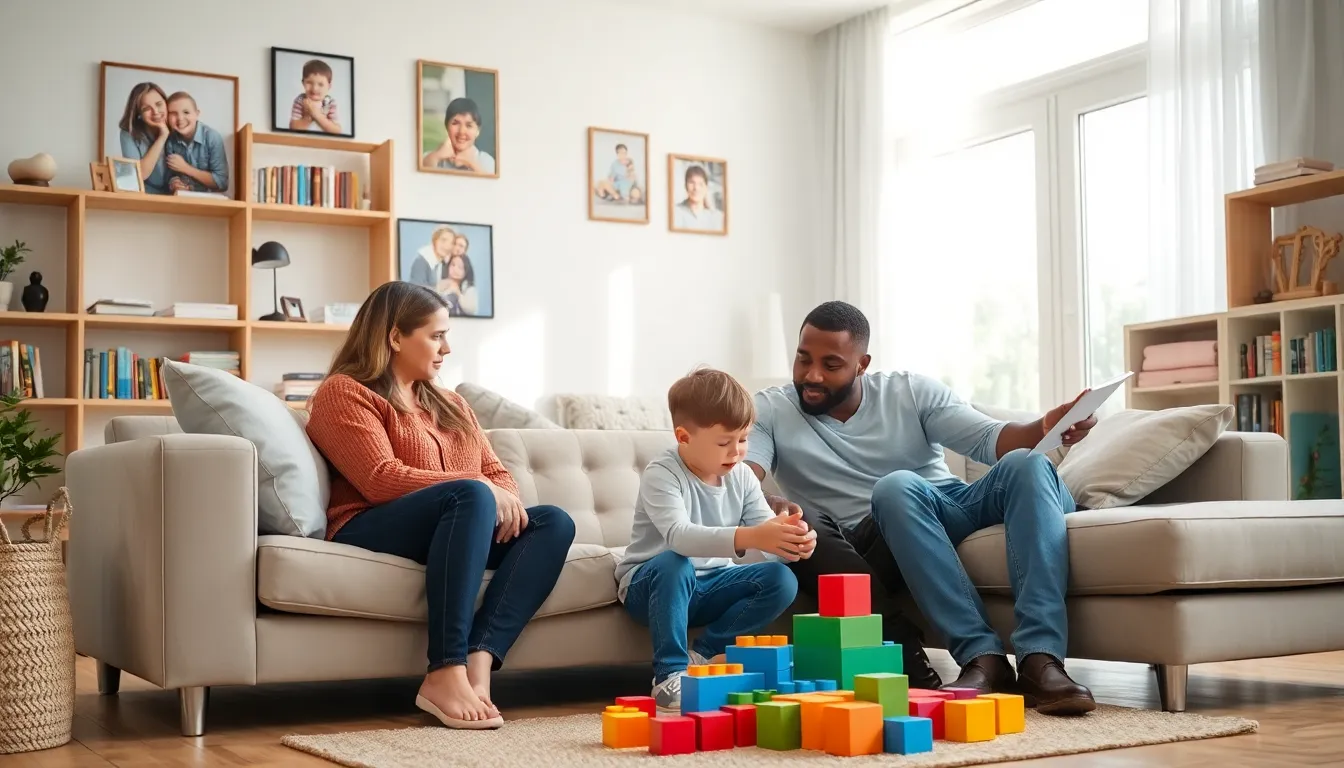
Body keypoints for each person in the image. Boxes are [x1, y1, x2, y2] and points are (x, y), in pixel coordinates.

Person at [746, 301, 1098, 716]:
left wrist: (1044, 429)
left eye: (831, 364)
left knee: (1028, 462)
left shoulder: (910, 390)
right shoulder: (770, 409)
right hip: (874, 532)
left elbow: (991, 438)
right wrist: (763, 499)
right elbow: (743, 476)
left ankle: (1041, 660)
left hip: (948, 503)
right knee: (894, 488)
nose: (812, 375)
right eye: (803, 359)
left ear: (862, 364)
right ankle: (982, 659)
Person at [305, 281, 576, 729]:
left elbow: (497, 472)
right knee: (470, 493)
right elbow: (379, 478)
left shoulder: (452, 403)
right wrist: (479, 486)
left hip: (457, 525)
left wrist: (493, 490)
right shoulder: (345, 392)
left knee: (553, 522)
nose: (447, 348)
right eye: (436, 335)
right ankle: (442, 672)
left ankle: (478, 661)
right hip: (371, 525)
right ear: (394, 337)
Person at [615, 367, 816, 711]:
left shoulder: (741, 477)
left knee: (781, 580)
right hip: (652, 586)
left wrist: (789, 541)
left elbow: (765, 538)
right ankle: (669, 675)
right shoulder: (661, 473)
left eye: (743, 439)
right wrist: (754, 535)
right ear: (684, 437)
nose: (736, 452)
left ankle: (702, 655)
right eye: (724, 442)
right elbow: (679, 537)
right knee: (673, 562)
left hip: (711, 585)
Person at [163, 92, 229, 193]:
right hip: (182, 200)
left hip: (209, 201)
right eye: (173, 113)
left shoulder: (212, 137)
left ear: (197, 114)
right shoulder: (170, 141)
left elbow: (222, 183)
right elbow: (171, 175)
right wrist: (174, 183)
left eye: (186, 112)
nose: (180, 118)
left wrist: (186, 168)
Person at [117, 82, 172, 194]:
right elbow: (139, 174)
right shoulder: (128, 133)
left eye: (159, 104)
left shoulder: (178, 126)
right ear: (139, 113)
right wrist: (162, 137)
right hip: (144, 199)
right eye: (147, 108)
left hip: (177, 199)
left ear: (166, 103)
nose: (155, 112)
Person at [422, 97, 496, 174]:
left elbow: (492, 185)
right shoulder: (430, 157)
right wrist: (437, 156)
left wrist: (471, 163)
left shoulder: (487, 161)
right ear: (447, 127)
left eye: (469, 126)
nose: (461, 131)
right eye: (455, 123)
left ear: (477, 131)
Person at [289, 58, 343, 134]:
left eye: (320, 84)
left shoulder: (330, 102)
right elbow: (293, 128)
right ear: (303, 83)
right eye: (309, 83)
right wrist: (308, 116)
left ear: (329, 86)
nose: (314, 88)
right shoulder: (300, 100)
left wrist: (316, 114)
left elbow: (337, 131)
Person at [672, 164, 724, 231]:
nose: (696, 188)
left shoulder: (717, 216)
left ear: (706, 187)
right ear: (685, 186)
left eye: (700, 184)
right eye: (691, 183)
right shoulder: (675, 212)